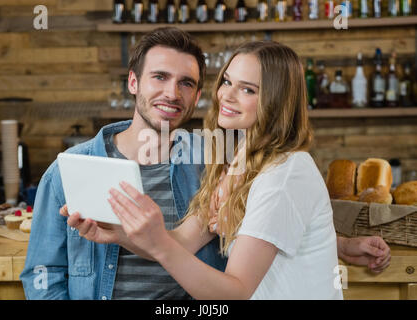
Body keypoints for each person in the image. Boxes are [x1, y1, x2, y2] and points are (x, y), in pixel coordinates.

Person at [65, 41, 391, 299]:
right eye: (227, 82)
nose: (226, 95)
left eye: (248, 89)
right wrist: (119, 233)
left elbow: (235, 291)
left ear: (275, 102)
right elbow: (182, 241)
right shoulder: (238, 160)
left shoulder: (284, 173)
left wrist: (157, 243)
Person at [20, 27, 227, 300]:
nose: (173, 93)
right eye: (160, 77)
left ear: (197, 97)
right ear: (133, 82)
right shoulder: (64, 172)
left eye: (186, 83)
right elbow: (42, 274)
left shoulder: (214, 164)